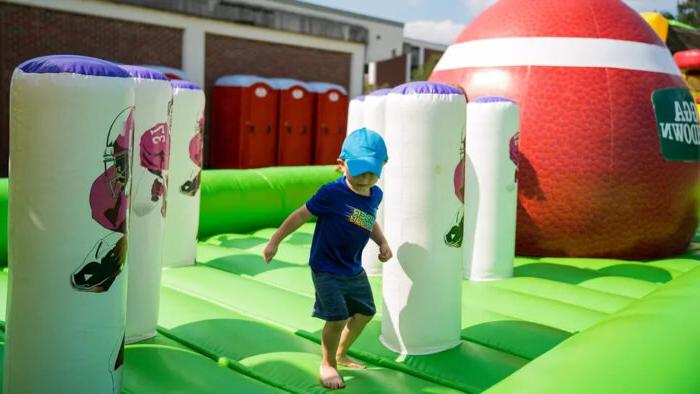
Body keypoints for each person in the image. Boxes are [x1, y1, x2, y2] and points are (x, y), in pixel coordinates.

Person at [263, 128, 392, 389]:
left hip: (352, 268)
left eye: (372, 172)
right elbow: (301, 215)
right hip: (326, 268)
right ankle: (328, 363)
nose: (366, 179)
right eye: (359, 171)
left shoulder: (374, 194)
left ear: (383, 166)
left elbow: (366, 220)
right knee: (336, 318)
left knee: (366, 313)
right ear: (342, 164)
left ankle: (341, 353)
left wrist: (382, 242)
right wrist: (275, 240)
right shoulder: (331, 194)